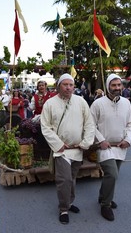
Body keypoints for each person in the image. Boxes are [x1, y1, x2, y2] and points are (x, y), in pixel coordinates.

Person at [41, 73, 95, 224]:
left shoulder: (81, 101)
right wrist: (58, 145)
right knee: (64, 180)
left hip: (77, 149)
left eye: (71, 85)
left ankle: (69, 202)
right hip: (62, 151)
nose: (68, 87)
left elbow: (89, 124)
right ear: (59, 86)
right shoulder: (50, 104)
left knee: (72, 179)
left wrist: (85, 143)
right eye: (65, 84)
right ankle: (63, 208)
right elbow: (45, 127)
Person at [90, 73, 131, 222]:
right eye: (113, 85)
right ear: (108, 86)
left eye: (119, 85)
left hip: (121, 147)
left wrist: (128, 139)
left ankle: (103, 196)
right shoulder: (97, 104)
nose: (116, 88)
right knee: (112, 174)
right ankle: (105, 205)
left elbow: (130, 124)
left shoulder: (126, 103)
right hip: (104, 147)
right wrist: (101, 140)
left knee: (112, 176)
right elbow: (91, 125)